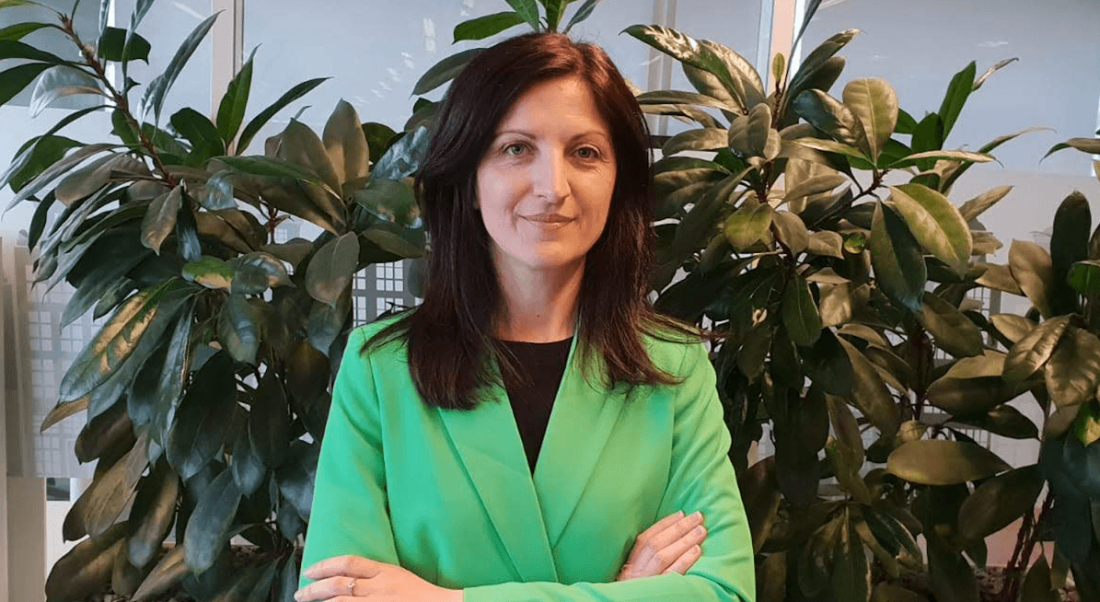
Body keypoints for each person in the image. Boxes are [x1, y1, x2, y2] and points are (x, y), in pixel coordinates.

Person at [293, 31, 755, 602]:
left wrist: (444, 600)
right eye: (516, 148)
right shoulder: (380, 370)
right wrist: (622, 594)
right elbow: (338, 593)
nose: (552, 187)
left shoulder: (674, 370)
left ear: (619, 182)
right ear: (468, 179)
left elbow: (724, 593)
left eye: (585, 152)